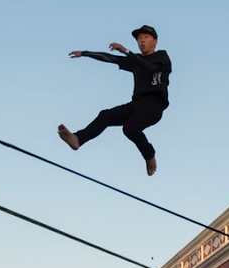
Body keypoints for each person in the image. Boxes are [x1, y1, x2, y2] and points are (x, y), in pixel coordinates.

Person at [59, 25, 172, 176]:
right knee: (105, 115)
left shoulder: (162, 57)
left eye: (145, 38)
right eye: (139, 39)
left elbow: (150, 68)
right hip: (137, 104)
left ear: (155, 42)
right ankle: (78, 139)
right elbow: (111, 58)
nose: (141, 41)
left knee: (129, 128)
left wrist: (126, 51)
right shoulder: (135, 60)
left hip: (154, 106)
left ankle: (149, 155)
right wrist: (85, 53)